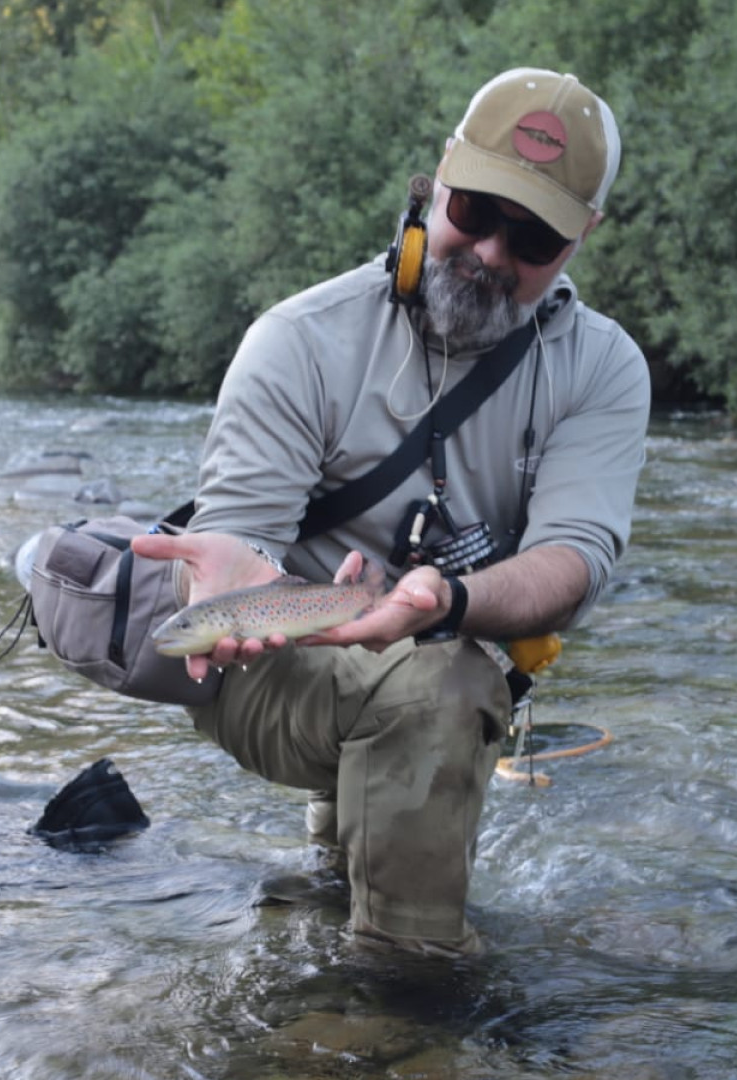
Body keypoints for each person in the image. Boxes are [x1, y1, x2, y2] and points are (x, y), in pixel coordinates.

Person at [129, 68, 650, 957]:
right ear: (435, 183)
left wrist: (442, 603)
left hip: (439, 643)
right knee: (442, 686)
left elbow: (573, 562)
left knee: (437, 670)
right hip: (266, 667)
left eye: (532, 236)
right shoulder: (300, 339)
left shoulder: (601, 369)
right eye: (478, 210)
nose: (491, 251)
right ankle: (405, 992)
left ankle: (339, 887)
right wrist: (227, 577)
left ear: (581, 240)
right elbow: (240, 538)